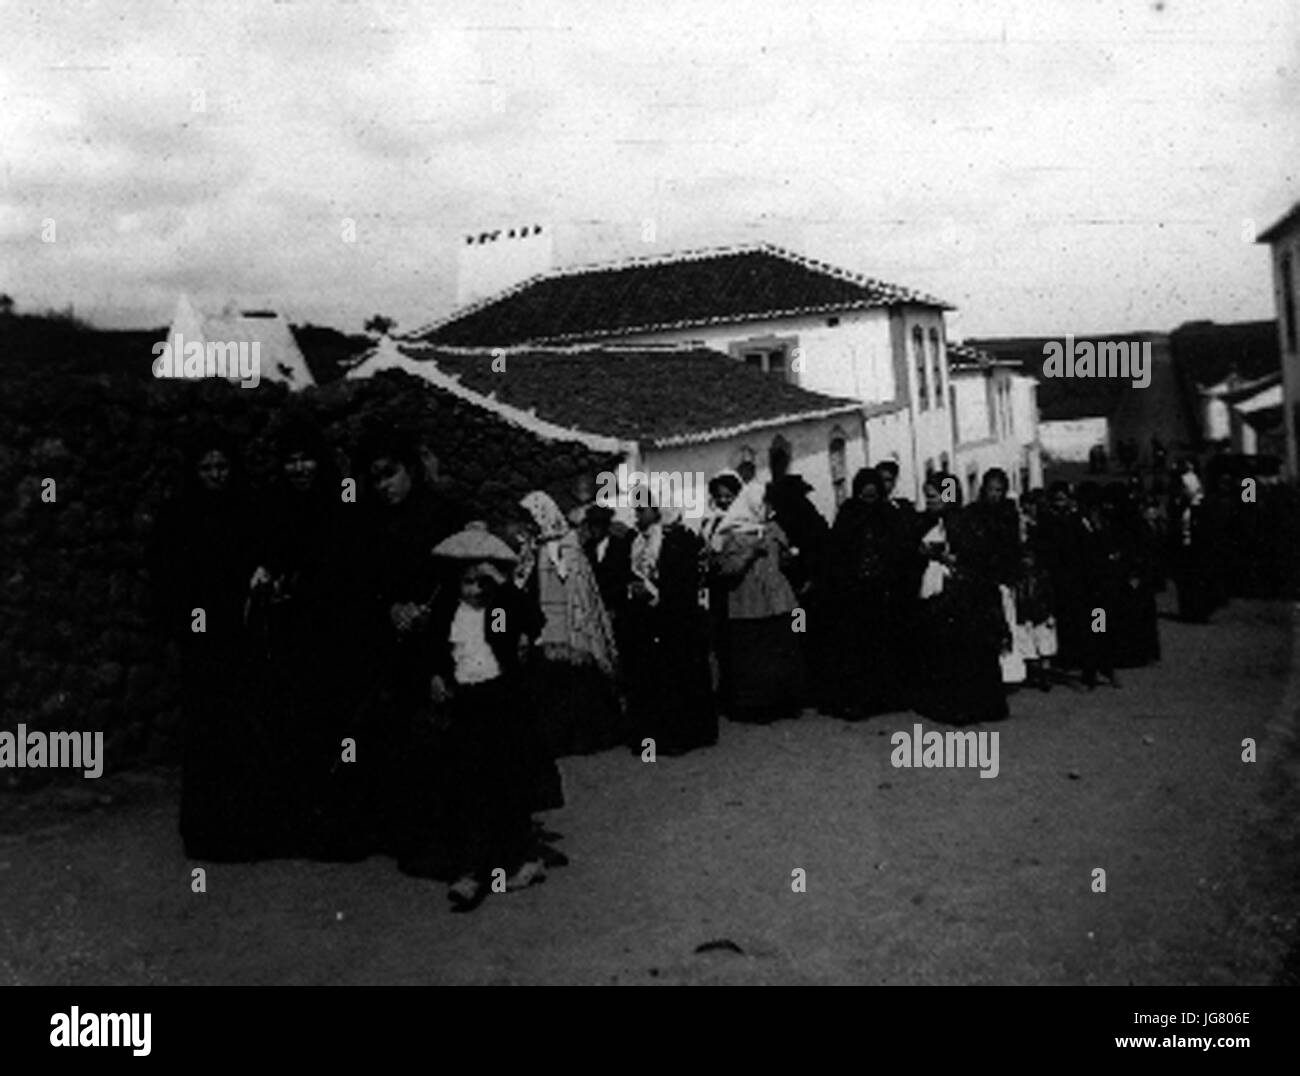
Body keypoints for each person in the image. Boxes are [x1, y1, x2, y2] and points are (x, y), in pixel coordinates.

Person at [249, 415, 372, 860]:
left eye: (306, 460)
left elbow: (348, 568)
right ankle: (298, 824)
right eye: (291, 461)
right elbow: (264, 555)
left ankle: (341, 826)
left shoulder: (338, 504)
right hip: (289, 638)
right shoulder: (274, 505)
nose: (299, 469)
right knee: (294, 728)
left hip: (333, 636)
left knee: (337, 729)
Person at [149, 425, 273, 861]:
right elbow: (165, 583)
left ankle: (242, 832)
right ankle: (205, 833)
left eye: (222, 466)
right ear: (194, 472)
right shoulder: (177, 517)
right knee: (205, 735)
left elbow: (261, 560)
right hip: (200, 639)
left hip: (238, 637)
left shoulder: (247, 511)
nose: (216, 475)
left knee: (240, 732)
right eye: (207, 468)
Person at [355, 430, 466, 872]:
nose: (384, 485)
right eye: (375, 478)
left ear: (411, 470)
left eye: (391, 474)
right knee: (400, 739)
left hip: (440, 641)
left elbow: (462, 582)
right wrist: (390, 608)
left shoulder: (443, 515)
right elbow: (363, 583)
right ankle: (409, 836)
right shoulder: (369, 523)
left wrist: (430, 621)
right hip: (394, 648)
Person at [425, 526, 550, 912]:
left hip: (500, 701)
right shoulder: (449, 610)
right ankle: (472, 868)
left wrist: (501, 583)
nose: (473, 591)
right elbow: (434, 647)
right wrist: (436, 676)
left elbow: (534, 620)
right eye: (466, 583)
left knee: (506, 783)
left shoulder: (499, 609)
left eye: (480, 583)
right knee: (469, 786)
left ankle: (525, 859)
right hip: (466, 703)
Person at [516, 490, 623, 756]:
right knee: (553, 690)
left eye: (530, 517)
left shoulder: (568, 546)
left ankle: (585, 739)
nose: (527, 524)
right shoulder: (533, 549)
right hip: (545, 630)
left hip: (573, 630)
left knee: (577, 686)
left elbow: (581, 589)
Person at [910, 472, 1009, 724]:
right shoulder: (933, 521)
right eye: (927, 497)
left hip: (964, 597)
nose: (929, 501)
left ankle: (966, 706)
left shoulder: (963, 521)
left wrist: (947, 558)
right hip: (943, 596)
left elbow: (977, 558)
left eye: (933, 496)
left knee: (964, 652)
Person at [706, 479, 806, 723]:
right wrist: (751, 551)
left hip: (777, 599)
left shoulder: (771, 527)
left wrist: (787, 553)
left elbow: (783, 560)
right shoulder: (730, 533)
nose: (766, 506)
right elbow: (726, 570)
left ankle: (783, 704)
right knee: (753, 659)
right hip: (747, 602)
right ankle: (756, 708)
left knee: (780, 653)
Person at [622, 502, 717, 756]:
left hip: (677, 619)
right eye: (636, 511)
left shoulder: (678, 539)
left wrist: (653, 592)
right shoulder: (637, 541)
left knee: (678, 675)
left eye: (643, 510)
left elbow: (684, 581)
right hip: (648, 619)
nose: (638, 515)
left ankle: (682, 736)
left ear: (657, 510)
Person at [821, 467, 910, 718]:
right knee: (856, 648)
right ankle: (858, 700)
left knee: (883, 645)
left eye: (874, 495)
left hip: (884, 591)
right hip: (854, 593)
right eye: (865, 495)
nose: (869, 500)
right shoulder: (848, 514)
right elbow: (837, 551)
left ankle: (886, 697)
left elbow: (901, 548)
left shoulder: (890, 515)